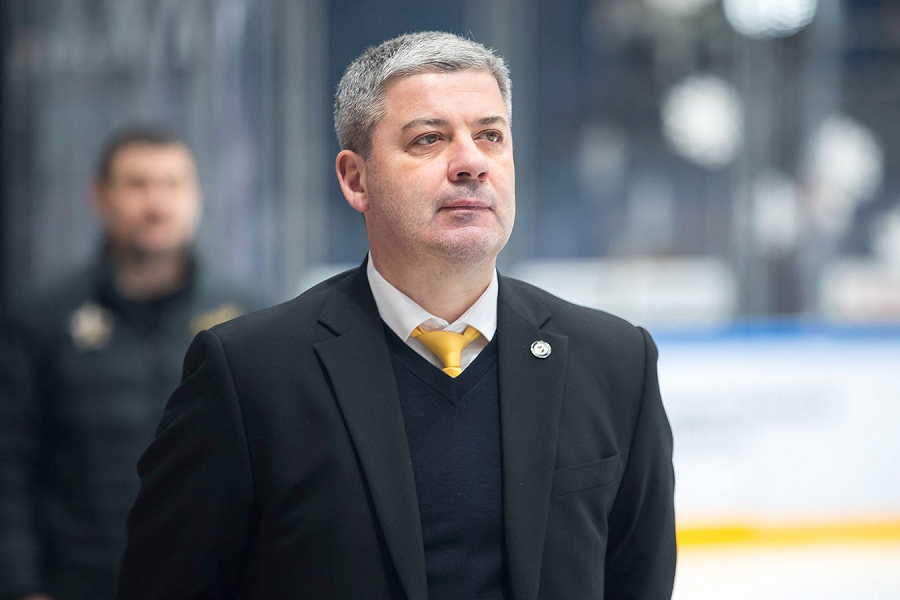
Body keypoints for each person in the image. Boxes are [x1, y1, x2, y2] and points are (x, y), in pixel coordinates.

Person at [114, 32, 676, 599]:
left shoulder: (615, 362)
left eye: (490, 136)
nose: (471, 163)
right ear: (356, 179)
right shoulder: (249, 373)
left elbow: (639, 581)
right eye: (429, 139)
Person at [0, 125, 266, 600]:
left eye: (173, 184)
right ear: (99, 196)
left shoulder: (248, 317)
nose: (156, 203)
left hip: (212, 581)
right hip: (81, 581)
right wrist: (21, 585)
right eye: (137, 184)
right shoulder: (41, 319)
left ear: (197, 197)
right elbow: (11, 466)